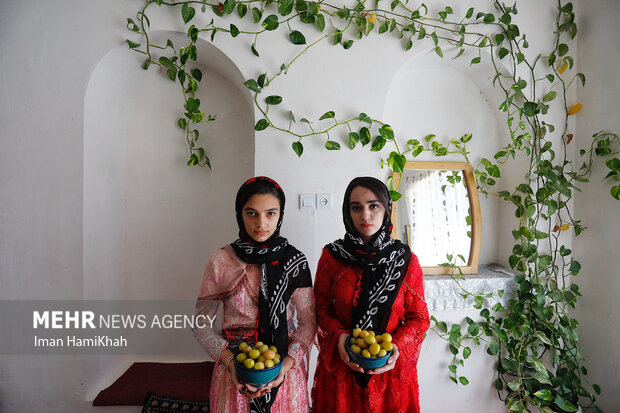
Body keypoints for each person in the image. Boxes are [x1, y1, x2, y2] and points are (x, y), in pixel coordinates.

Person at [193, 176, 316, 413]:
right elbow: (200, 325)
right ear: (240, 214)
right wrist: (231, 364)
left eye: (271, 213)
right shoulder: (221, 260)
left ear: (281, 215)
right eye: (252, 213)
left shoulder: (294, 261)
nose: (261, 223)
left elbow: (308, 323)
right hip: (234, 373)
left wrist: (286, 365)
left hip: (283, 377)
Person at [311, 176, 430, 412]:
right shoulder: (332, 256)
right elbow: (320, 309)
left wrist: (396, 347)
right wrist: (341, 338)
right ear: (348, 212)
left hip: (389, 375)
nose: (365, 216)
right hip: (342, 375)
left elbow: (419, 317)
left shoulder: (405, 260)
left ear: (386, 209)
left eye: (373, 206)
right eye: (357, 207)